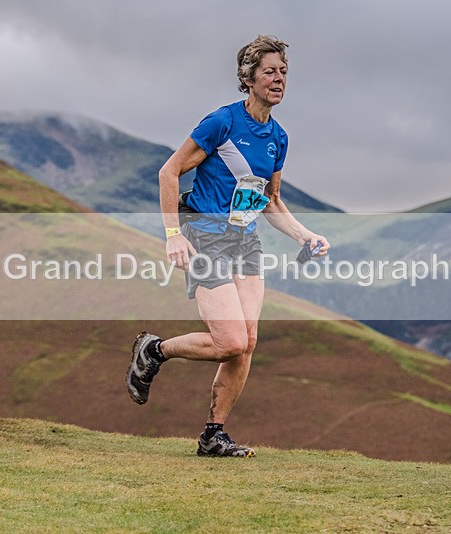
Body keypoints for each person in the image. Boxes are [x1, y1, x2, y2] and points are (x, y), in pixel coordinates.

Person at [126, 35, 329, 457]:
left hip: (245, 240)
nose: (279, 79)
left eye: (284, 72)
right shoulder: (222, 122)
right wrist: (172, 235)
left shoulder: (279, 137)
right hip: (203, 234)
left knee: (247, 340)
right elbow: (169, 172)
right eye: (270, 71)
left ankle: (213, 435)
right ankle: (155, 349)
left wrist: (304, 235)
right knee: (231, 340)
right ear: (248, 77)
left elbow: (270, 200)